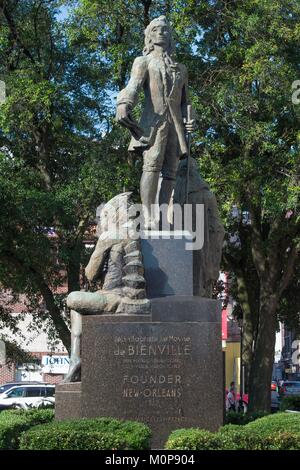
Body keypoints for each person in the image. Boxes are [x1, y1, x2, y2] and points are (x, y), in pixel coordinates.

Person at [116, 16, 195, 228]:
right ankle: (148, 215)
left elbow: (186, 101)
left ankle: (162, 216)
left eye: (165, 30)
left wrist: (190, 117)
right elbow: (133, 86)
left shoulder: (181, 68)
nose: (161, 32)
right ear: (149, 35)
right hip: (154, 124)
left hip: (175, 126)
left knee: (171, 171)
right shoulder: (143, 62)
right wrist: (123, 103)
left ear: (170, 36)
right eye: (156, 29)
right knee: (151, 166)